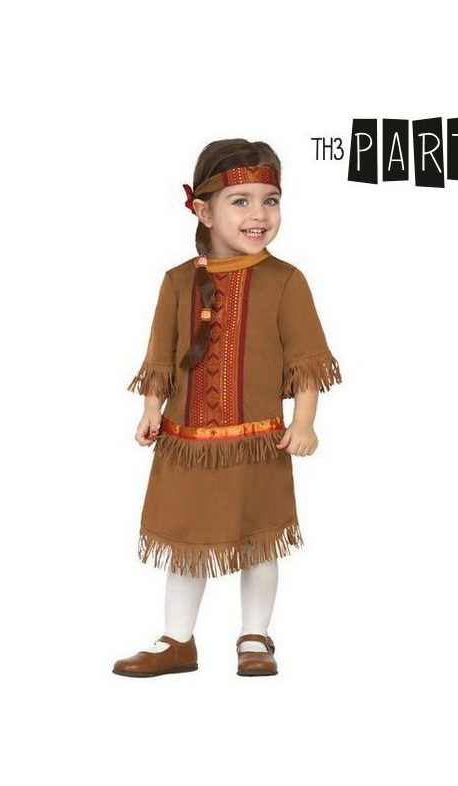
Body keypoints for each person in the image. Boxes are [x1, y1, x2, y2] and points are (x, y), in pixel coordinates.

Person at [113, 139, 341, 678]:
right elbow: (161, 355)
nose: (259, 214)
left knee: (260, 540)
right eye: (241, 201)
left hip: (259, 441)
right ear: (203, 210)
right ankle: (177, 640)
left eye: (270, 200)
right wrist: (151, 409)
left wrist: (304, 422)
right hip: (186, 442)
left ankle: (255, 636)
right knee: (185, 540)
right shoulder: (177, 281)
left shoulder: (286, 281)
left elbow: (307, 360)